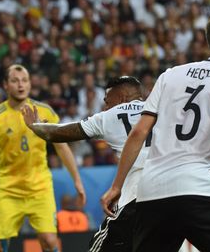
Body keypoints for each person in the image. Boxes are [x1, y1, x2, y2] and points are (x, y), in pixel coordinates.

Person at [100, 8, 210, 252]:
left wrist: (117, 186)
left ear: (209, 43)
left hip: (151, 191)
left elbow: (138, 133)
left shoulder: (170, 75)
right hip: (198, 188)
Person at [22, 75, 147, 252]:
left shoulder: (109, 116)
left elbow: (58, 133)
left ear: (122, 98)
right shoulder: (159, 111)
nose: (105, 106)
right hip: (169, 194)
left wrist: (35, 126)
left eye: (107, 100)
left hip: (134, 197)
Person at [0, 64, 86, 252]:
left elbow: (61, 146)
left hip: (40, 187)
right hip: (8, 189)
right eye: (15, 80)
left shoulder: (45, 112)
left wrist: (77, 179)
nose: (20, 85)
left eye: (24, 80)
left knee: (50, 241)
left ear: (29, 84)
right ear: (5, 85)